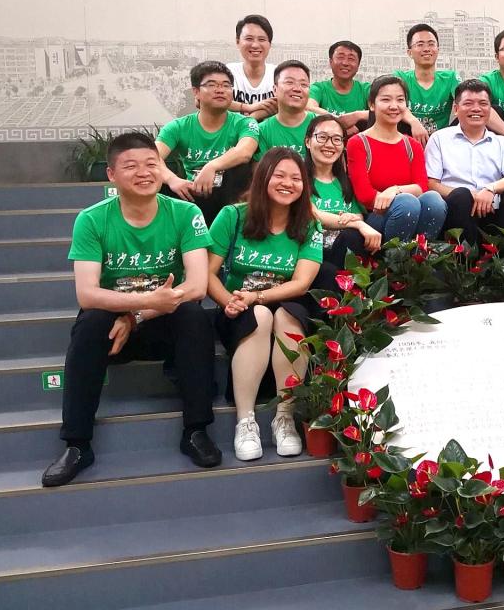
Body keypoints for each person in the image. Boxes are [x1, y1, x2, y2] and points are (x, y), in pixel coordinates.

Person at [42, 132, 219, 487]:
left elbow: (197, 286)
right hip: (114, 332)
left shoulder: (185, 213)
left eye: (152, 164)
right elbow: (87, 294)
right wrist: (144, 304)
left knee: (194, 316)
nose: (144, 173)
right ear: (111, 175)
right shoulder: (92, 219)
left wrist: (137, 316)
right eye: (131, 166)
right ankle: (77, 444)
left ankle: (196, 431)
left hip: (162, 322)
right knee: (90, 324)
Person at [207, 148, 323, 461]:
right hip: (237, 308)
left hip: (285, 304)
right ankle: (245, 421)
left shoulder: (309, 225)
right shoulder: (233, 216)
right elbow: (207, 273)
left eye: (296, 178)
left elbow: (301, 283)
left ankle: (284, 418)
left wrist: (257, 296)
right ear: (262, 178)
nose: (288, 183)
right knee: (258, 315)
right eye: (279, 175)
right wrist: (229, 302)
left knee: (287, 315)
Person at [426, 80, 504, 246]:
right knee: (461, 196)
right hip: (458, 210)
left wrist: (489, 189)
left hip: (493, 209)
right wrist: (471, 195)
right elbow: (431, 184)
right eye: (468, 103)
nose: (476, 109)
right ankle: (464, 259)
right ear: (456, 109)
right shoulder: (439, 139)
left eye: (483, 103)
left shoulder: (502, 142)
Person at [156, 61, 259, 225]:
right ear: (196, 92)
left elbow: (245, 152)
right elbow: (152, 158)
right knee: (155, 183)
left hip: (231, 197)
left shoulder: (244, 123)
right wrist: (172, 179)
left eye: (226, 85)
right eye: (211, 85)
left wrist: (212, 166)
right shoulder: (177, 127)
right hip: (193, 195)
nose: (220, 90)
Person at [346, 75, 447, 242]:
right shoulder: (358, 143)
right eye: (386, 100)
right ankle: (392, 256)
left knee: (434, 200)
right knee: (407, 202)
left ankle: (420, 253)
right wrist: (398, 198)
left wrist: (394, 190)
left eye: (400, 100)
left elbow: (422, 186)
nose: (394, 106)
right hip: (376, 217)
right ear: (372, 104)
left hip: (410, 212)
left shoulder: (412, 145)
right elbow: (365, 195)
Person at [304, 114, 381, 268]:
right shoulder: (298, 178)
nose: (329, 144)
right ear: (308, 141)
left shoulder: (346, 182)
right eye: (322, 137)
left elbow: (358, 214)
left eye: (337, 139)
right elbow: (312, 214)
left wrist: (352, 218)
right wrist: (356, 224)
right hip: (310, 253)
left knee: (357, 233)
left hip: (342, 249)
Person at [394, 23, 460, 144]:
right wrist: (414, 122)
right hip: (407, 141)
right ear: (409, 52)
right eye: (420, 44)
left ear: (438, 49)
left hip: (440, 143)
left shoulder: (450, 78)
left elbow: (467, 102)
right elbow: (393, 105)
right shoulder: (401, 78)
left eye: (431, 44)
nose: (426, 49)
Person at [254, 60, 317, 159]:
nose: (297, 89)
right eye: (289, 82)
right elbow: (261, 168)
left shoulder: (321, 125)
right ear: (275, 89)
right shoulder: (262, 131)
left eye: (304, 84)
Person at [308, 40, 370, 135]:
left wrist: (357, 115)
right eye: (340, 57)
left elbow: (384, 111)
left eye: (351, 59)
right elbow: (308, 107)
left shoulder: (366, 90)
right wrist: (339, 124)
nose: (345, 63)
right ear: (330, 62)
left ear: (358, 65)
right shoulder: (318, 89)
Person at [227, 14, 277, 121]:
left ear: (270, 44)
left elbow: (284, 105)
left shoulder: (279, 75)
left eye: (262, 39)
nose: (255, 45)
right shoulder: (227, 73)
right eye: (249, 39)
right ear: (237, 42)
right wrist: (249, 108)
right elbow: (205, 101)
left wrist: (253, 116)